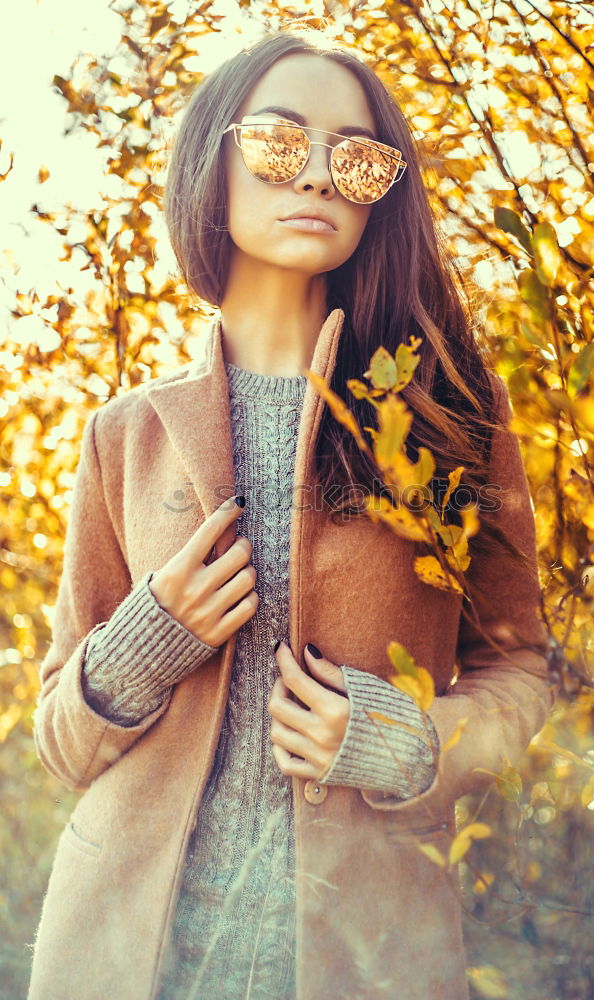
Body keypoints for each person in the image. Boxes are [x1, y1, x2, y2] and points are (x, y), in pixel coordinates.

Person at [28, 26, 557, 1000]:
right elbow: (61, 739)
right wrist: (145, 641)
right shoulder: (122, 435)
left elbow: (521, 666)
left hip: (365, 953)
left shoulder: (448, 418)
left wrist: (411, 739)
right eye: (277, 143)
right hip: (129, 957)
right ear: (210, 171)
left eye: (353, 157)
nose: (316, 176)